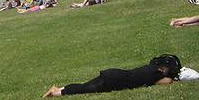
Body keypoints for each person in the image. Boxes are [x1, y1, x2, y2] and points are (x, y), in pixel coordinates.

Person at [42, 55, 180, 96]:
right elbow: (168, 80)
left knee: (85, 86)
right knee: (85, 88)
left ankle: (58, 89)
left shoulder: (151, 68)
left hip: (115, 75)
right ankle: (56, 93)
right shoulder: (156, 76)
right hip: (114, 79)